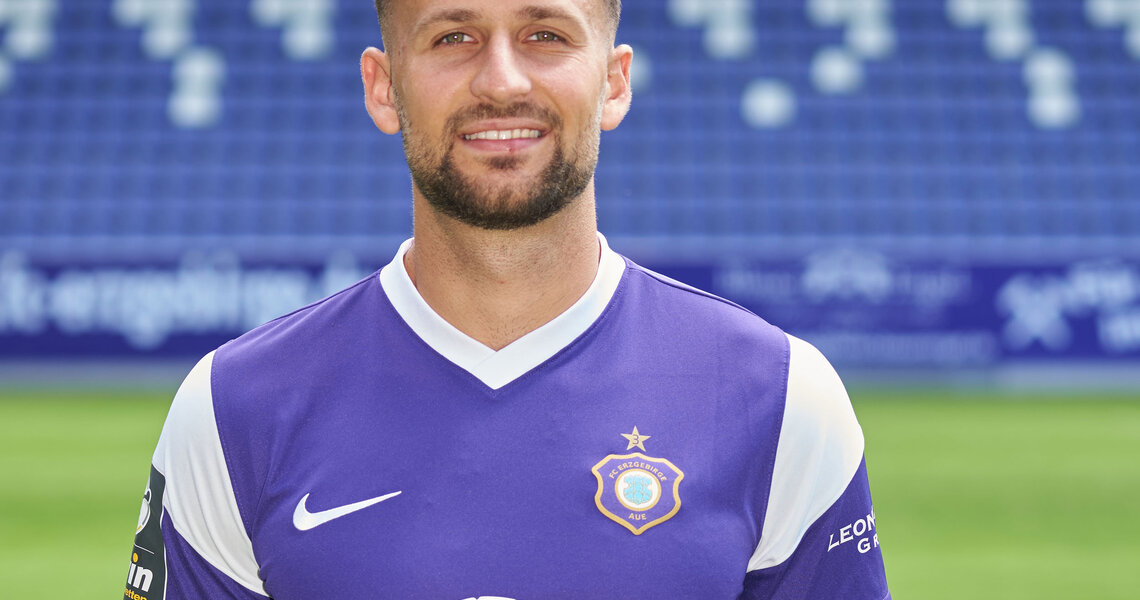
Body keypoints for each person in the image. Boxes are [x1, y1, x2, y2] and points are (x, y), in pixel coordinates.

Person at [124, 0, 890, 598]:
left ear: (614, 82)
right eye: (453, 37)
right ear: (384, 88)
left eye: (545, 36)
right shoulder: (232, 407)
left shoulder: (780, 397)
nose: (502, 82)